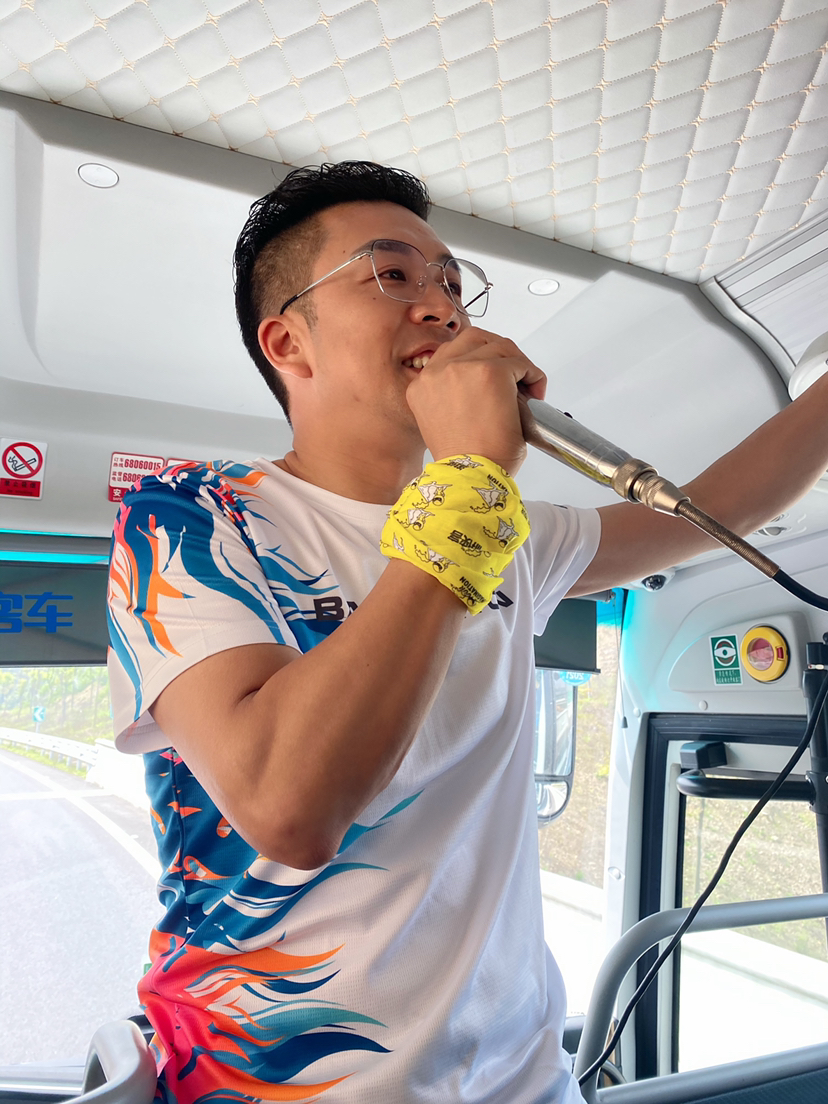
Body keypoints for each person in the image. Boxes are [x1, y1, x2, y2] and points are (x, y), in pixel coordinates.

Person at [107, 161, 828, 1104]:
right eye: (391, 274)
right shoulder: (192, 522)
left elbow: (720, 506)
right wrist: (472, 482)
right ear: (289, 342)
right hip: (269, 1083)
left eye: (452, 281)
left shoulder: (508, 534)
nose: (441, 307)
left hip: (524, 1079)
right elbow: (289, 804)